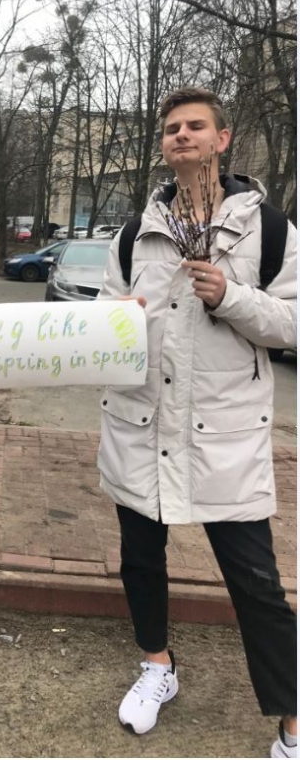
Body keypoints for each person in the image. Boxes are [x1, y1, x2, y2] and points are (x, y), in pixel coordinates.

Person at [96, 86, 297, 756]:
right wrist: (112, 323)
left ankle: (293, 719)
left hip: (224, 438)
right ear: (163, 144)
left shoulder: (269, 230)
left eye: (195, 126)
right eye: (172, 128)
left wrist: (231, 295)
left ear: (222, 139)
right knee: (140, 560)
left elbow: (293, 323)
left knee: (256, 583)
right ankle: (158, 665)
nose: (181, 135)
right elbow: (101, 321)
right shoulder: (135, 234)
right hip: (141, 426)